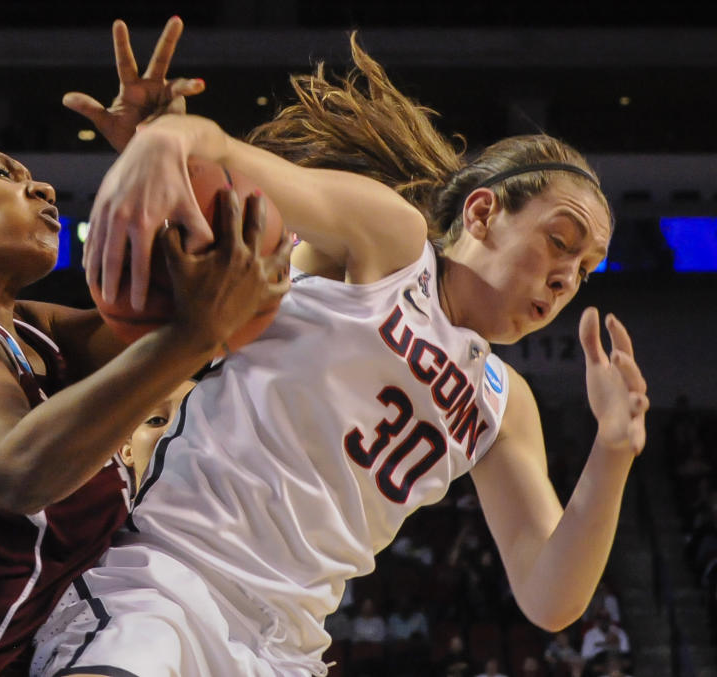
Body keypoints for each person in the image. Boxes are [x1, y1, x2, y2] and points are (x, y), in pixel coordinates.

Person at [35, 35, 648, 676]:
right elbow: (227, 157)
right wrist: (166, 134)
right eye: (559, 242)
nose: (567, 277)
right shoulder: (391, 244)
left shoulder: (504, 403)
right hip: (168, 580)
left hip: (287, 648)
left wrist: (613, 450)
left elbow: (550, 598)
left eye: (585, 270)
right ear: (483, 212)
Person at [0, 23, 289, 677]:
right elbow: (15, 469)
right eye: (3, 174)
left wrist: (165, 156)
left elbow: (200, 299)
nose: (45, 189)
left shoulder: (33, 329)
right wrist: (192, 336)